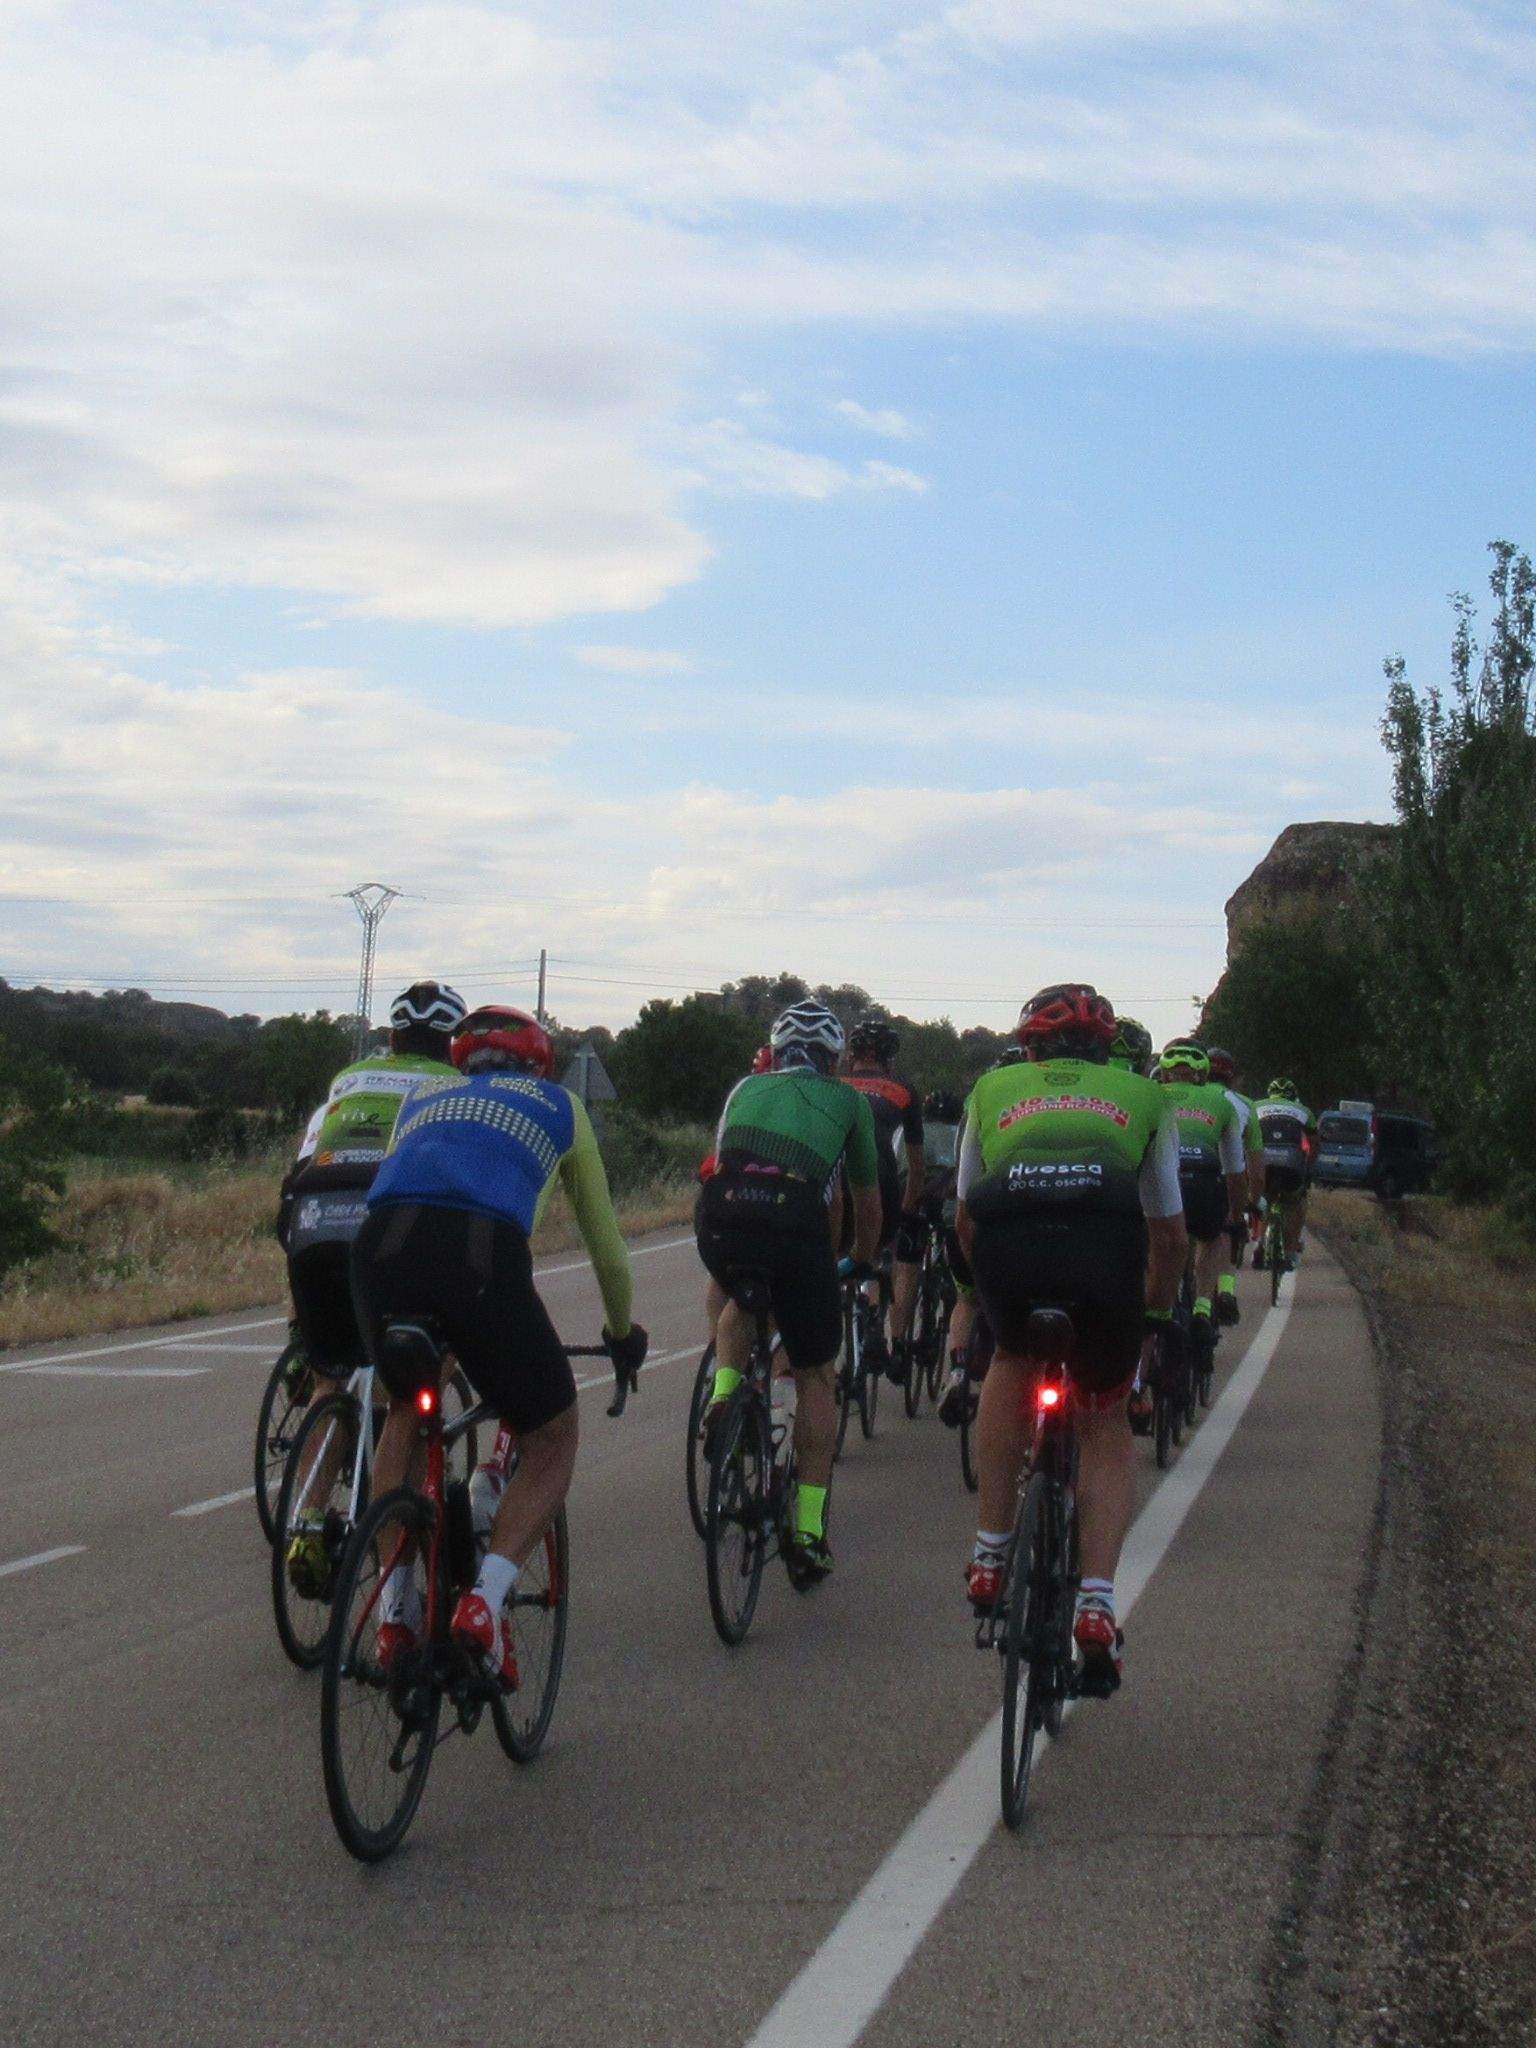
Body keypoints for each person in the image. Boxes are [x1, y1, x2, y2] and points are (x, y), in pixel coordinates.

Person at [350, 1004, 646, 1687]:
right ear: (537, 1064)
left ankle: (395, 1612)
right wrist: (622, 1332)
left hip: (380, 1249)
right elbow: (607, 1248)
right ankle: (481, 1607)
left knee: (404, 1408)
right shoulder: (561, 1106)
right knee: (552, 1429)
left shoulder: (427, 1095)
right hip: (479, 1254)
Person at [958, 985, 1186, 1693]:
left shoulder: (992, 1088)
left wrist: (977, 1297)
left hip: (1011, 1248)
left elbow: (966, 1217)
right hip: (1103, 1256)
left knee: (1010, 1358)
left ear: (1031, 1045)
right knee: (1104, 1415)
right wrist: (1150, 1315)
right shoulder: (1145, 1097)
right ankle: (1095, 1604)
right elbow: (1171, 1235)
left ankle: (991, 1554)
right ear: (1108, 1047)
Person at [277, 980, 465, 1590]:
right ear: (451, 1046)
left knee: (332, 1374)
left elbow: (303, 1162)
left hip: (310, 1216)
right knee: (408, 1382)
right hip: (385, 1224)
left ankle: (305, 1522)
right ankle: (395, 1552)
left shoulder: (350, 1078)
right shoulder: (454, 1087)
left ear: (390, 1037)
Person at [695, 1000, 881, 1584]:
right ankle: (806, 1528)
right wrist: (861, 1258)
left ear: (776, 1051)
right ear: (833, 1058)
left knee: (738, 1303)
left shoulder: (744, 1087)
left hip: (721, 1215)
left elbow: (722, 1160)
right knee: (817, 1374)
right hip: (795, 1223)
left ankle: (724, 1395)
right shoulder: (850, 1101)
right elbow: (864, 1198)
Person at [841, 1013, 925, 1381]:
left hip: (833, 1180)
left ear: (852, 1054)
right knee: (876, 1253)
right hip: (881, 1179)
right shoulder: (903, 1091)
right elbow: (917, 1166)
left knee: (833, 1256)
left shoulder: (834, 1084)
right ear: (890, 1059)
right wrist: (905, 1211)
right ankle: (874, 1318)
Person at [1152, 1041, 1248, 1343]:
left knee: (1154, 1243)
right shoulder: (1221, 1101)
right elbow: (1235, 1170)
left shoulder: (1150, 1096)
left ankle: (1157, 1314)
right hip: (1204, 1183)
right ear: (1201, 1074)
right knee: (1214, 1235)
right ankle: (1203, 1308)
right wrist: (1235, 1217)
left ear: (1165, 1074)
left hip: (1161, 1185)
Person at [1206, 1046, 1262, 1325]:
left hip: (1183, 1175)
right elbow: (1254, 1163)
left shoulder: (1189, 1099)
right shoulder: (1244, 1105)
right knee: (1227, 1228)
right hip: (1226, 1177)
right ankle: (1226, 1290)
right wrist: (1253, 1200)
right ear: (1231, 1077)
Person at [1253, 1076, 1317, 1267]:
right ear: (1293, 1096)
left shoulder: (1255, 1107)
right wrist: (1308, 1169)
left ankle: (1260, 1243)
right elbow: (1314, 1144)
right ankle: (1289, 1254)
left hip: (1263, 1162)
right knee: (1296, 1204)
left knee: (1263, 1199)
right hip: (1291, 1163)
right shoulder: (1304, 1111)